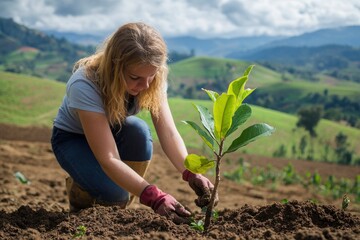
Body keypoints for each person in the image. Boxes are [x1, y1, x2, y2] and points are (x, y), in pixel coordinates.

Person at [51, 22, 216, 224]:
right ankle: (83, 194)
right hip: (73, 139)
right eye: (135, 77)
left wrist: (191, 172)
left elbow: (169, 134)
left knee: (138, 131)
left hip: (113, 130)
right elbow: (108, 157)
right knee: (116, 196)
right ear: (114, 67)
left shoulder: (152, 78)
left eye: (151, 76)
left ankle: (111, 195)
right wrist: (153, 197)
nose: (145, 85)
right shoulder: (84, 84)